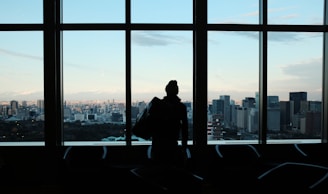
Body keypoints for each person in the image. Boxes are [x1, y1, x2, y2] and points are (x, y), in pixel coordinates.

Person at [150, 80, 189, 168]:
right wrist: (184, 147)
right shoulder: (180, 107)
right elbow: (185, 128)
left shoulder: (158, 105)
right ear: (177, 91)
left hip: (157, 144)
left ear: (166, 90)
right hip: (172, 144)